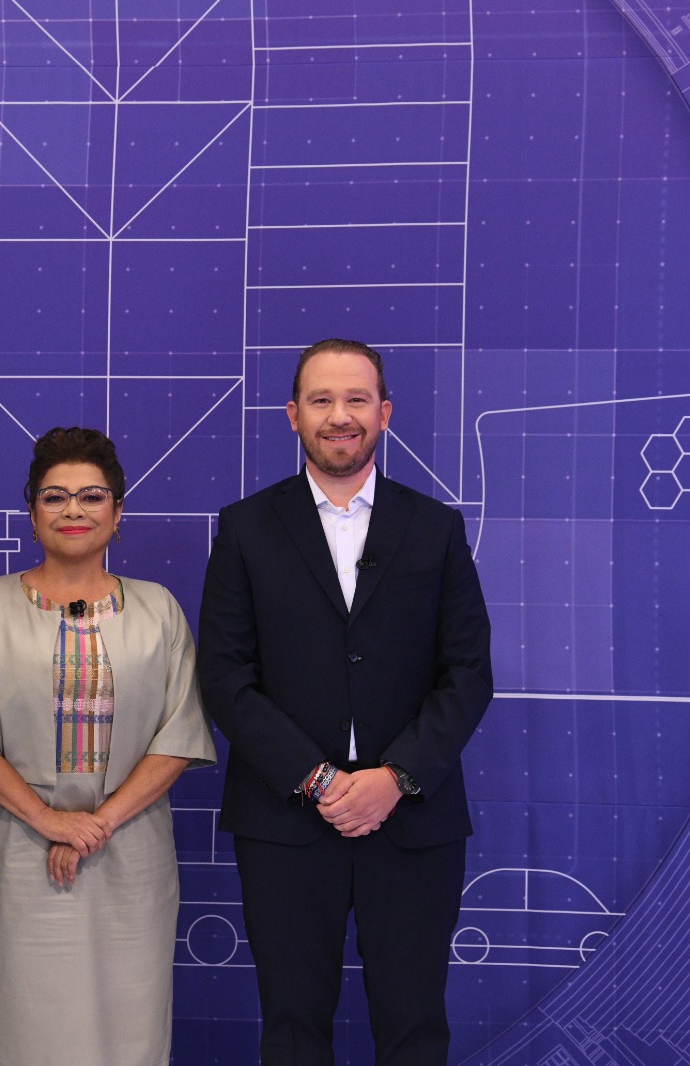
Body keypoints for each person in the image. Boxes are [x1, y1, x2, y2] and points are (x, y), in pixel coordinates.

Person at [197, 339, 493, 1065]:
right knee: (293, 1030)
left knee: (414, 1028)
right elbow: (226, 677)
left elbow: (468, 672)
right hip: (287, 822)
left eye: (357, 399)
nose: (340, 416)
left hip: (412, 820)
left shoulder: (436, 528)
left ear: (384, 413)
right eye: (321, 400)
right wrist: (320, 779)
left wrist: (395, 778)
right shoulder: (245, 528)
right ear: (292, 415)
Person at [0, 426, 216, 1066]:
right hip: (18, 854)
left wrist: (95, 824)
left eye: (91, 496)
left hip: (131, 855)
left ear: (118, 511)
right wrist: (49, 820)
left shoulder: (159, 610)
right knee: (25, 1029)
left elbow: (180, 733)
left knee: (130, 1029)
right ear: (32, 512)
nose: (73, 511)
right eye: (55, 497)